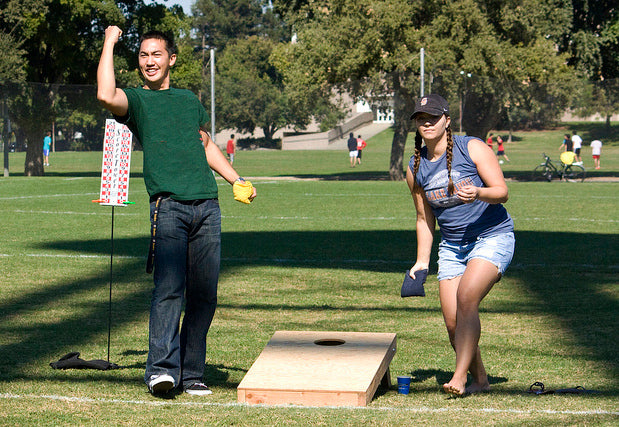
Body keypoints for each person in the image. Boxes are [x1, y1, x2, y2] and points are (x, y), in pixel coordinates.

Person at [97, 26, 256, 397]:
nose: (149, 61)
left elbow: (204, 144)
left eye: (156, 54)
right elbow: (106, 94)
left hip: (208, 207)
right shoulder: (136, 101)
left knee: (204, 295)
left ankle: (193, 372)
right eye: (142, 55)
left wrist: (235, 179)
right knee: (169, 289)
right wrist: (109, 41)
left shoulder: (188, 101)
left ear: (171, 59)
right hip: (168, 208)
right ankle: (161, 371)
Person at [406, 94, 515, 397]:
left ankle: (459, 377)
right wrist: (421, 261)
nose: (426, 123)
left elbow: (502, 192)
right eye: (420, 118)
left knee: (467, 297)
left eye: (432, 117)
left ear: (447, 121)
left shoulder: (473, 147)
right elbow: (424, 219)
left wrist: (478, 193)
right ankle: (480, 379)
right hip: (453, 245)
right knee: (453, 322)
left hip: (492, 235)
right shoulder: (415, 167)